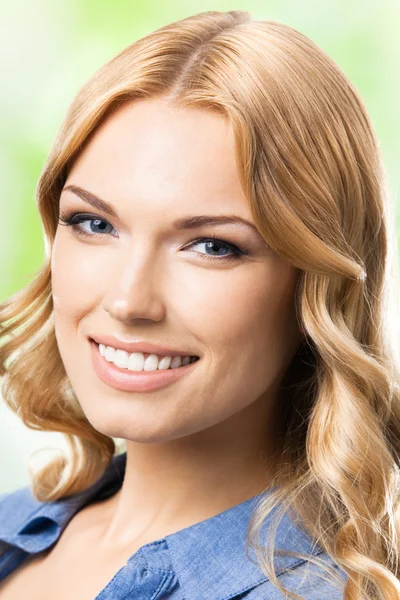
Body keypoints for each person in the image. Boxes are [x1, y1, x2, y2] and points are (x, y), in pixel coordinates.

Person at [0, 9, 399, 600]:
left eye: (213, 246)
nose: (129, 299)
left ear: (314, 286)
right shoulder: (15, 524)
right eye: (94, 222)